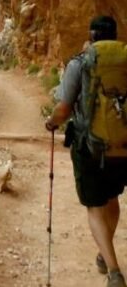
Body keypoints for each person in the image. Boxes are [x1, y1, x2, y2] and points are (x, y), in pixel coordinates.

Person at [46, 15, 127, 287]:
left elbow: (64, 109)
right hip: (122, 145)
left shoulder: (79, 64)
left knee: (95, 206)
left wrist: (51, 122)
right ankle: (105, 255)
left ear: (91, 36)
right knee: (113, 198)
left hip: (89, 145)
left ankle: (114, 271)